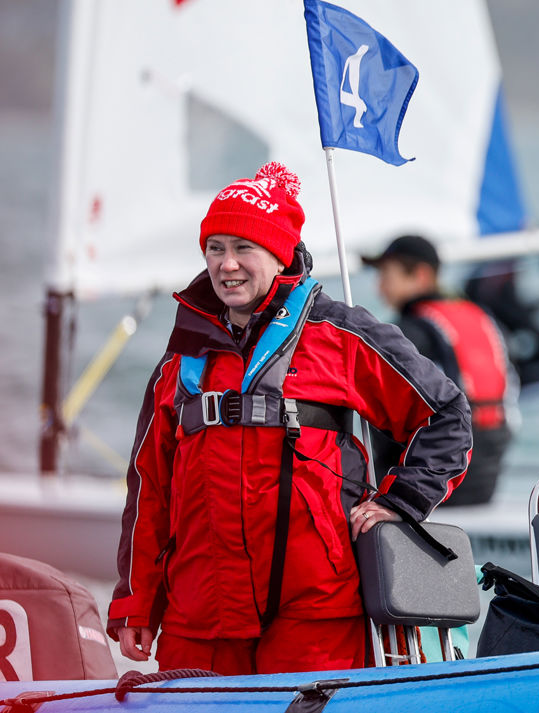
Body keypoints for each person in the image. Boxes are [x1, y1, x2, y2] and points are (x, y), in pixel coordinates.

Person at [107, 163, 473, 674]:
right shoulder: (180, 359)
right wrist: (136, 601)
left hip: (316, 613)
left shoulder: (342, 335)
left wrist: (401, 501)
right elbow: (149, 487)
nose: (226, 265)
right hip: (200, 618)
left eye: (243, 248)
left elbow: (446, 415)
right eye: (215, 248)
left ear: (279, 254)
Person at [362, 235, 515, 506]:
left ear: (420, 275)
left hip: (434, 487)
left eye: (387, 274)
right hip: (485, 479)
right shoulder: (481, 317)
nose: (379, 287)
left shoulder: (410, 332)